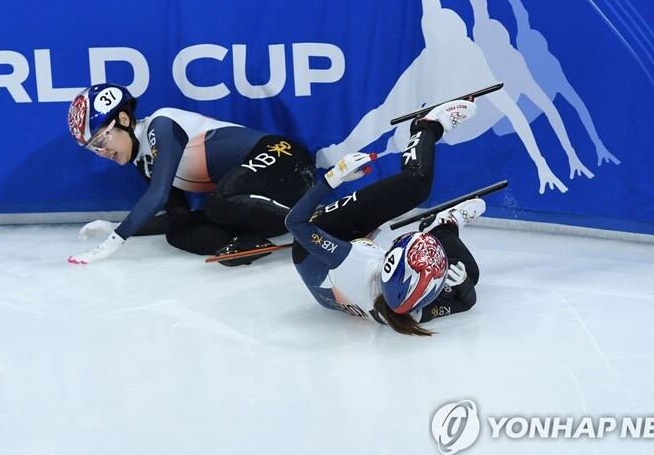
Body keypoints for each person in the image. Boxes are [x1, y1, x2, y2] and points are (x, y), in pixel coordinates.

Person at [285, 98, 485, 336]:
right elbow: (466, 301)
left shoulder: (353, 259)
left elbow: (295, 223)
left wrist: (332, 179)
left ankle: (427, 126)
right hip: (336, 275)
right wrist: (462, 285)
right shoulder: (411, 311)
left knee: (416, 184)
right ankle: (441, 227)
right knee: (468, 276)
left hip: (318, 247)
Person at [66, 83, 316, 265]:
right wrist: (115, 225)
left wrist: (113, 240)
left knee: (218, 202)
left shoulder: (160, 125)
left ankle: (320, 224)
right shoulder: (143, 162)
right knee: (178, 229)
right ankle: (247, 242)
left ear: (122, 119)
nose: (102, 152)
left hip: (286, 159)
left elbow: (158, 195)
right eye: (93, 149)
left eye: (100, 141)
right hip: (257, 196)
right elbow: (176, 213)